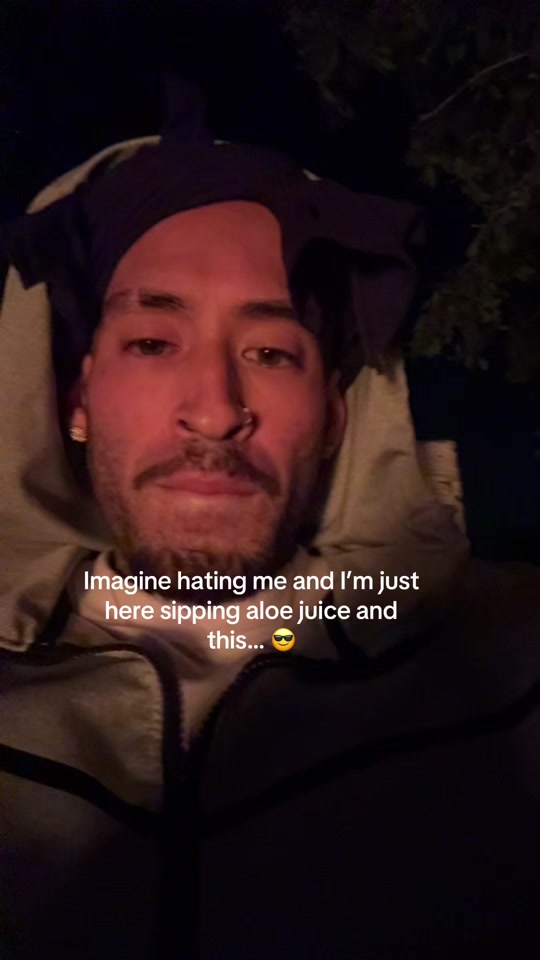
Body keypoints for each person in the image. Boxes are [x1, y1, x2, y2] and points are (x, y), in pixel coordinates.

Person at [0, 84, 538, 960]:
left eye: (271, 353)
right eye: (152, 343)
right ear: (77, 400)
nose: (216, 412)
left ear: (334, 417)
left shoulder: (506, 672)